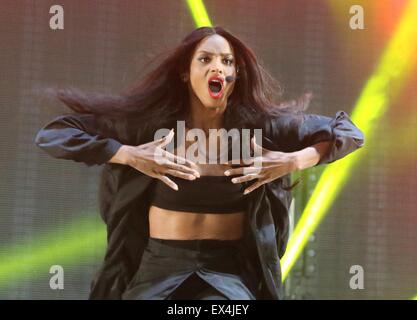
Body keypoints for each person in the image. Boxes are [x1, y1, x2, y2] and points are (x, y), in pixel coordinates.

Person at [34, 26, 365, 300]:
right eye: (205, 59)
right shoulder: (151, 128)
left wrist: (292, 161)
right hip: (158, 272)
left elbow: (349, 132)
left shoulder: (261, 130)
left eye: (226, 61)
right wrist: (131, 155)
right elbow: (54, 134)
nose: (217, 67)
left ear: (235, 74)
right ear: (185, 73)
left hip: (230, 277)